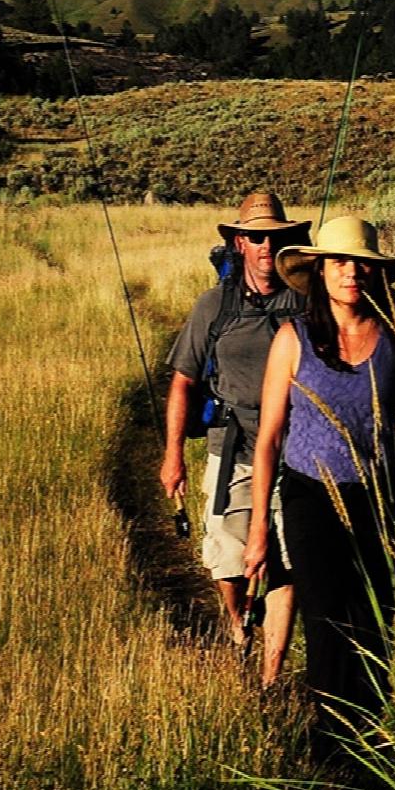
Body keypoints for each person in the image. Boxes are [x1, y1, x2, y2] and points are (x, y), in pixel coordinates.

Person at [243, 214, 395, 730]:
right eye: (340, 262)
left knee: (374, 623)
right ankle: (332, 744)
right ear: (320, 270)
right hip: (310, 499)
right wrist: (259, 526)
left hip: (377, 498)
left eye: (362, 264)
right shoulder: (294, 339)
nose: (351, 273)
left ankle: (370, 736)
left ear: (377, 273)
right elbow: (269, 440)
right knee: (327, 622)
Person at [160, 190, 310, 680]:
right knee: (228, 560)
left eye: (275, 237)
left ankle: (270, 677)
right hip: (232, 447)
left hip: (296, 450)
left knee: (286, 563)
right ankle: (238, 619)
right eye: (256, 237)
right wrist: (173, 456)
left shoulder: (307, 304)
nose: (266, 246)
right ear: (239, 243)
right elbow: (183, 381)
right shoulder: (214, 306)